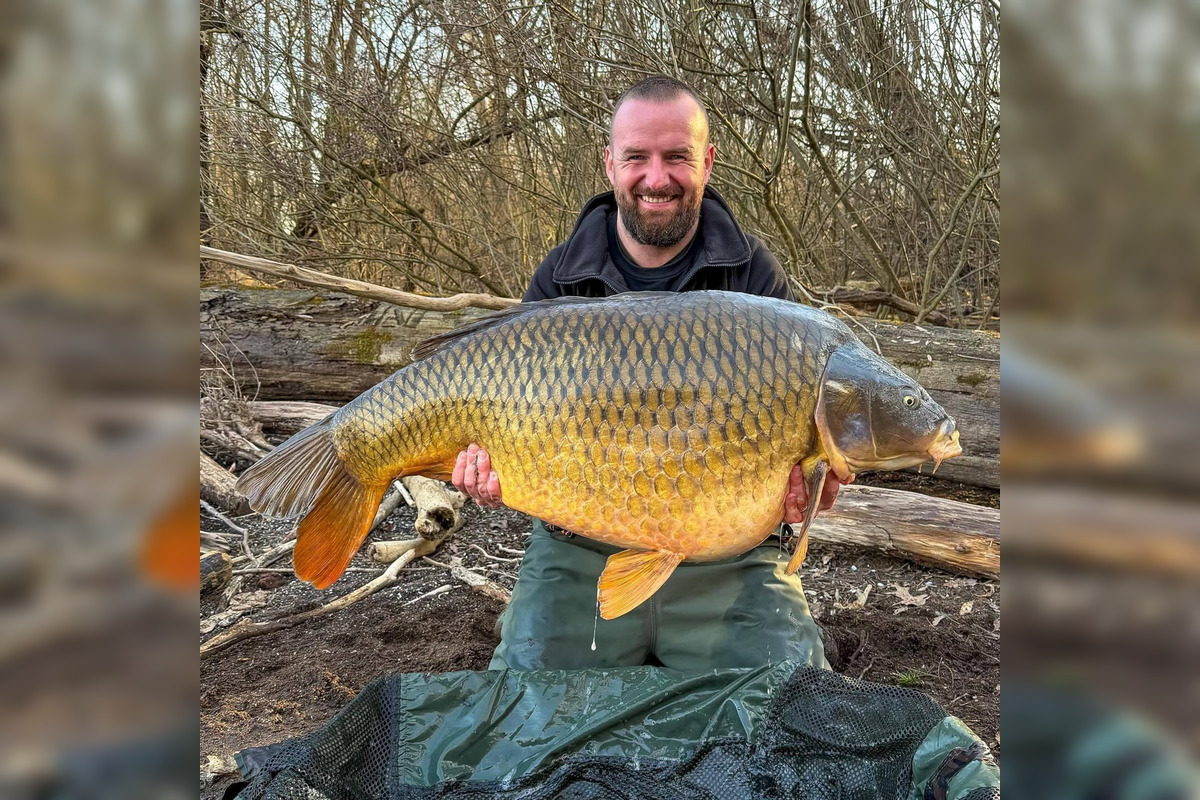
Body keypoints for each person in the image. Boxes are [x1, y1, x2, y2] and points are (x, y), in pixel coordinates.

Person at [453, 76, 846, 671]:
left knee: (789, 715)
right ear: (610, 164)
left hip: (729, 561)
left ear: (707, 161)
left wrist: (802, 492)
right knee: (527, 721)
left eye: (677, 157)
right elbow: (508, 435)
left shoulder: (756, 281)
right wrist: (485, 473)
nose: (656, 178)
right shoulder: (561, 278)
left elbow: (800, 459)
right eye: (637, 157)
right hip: (577, 550)